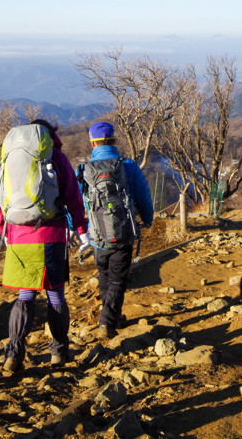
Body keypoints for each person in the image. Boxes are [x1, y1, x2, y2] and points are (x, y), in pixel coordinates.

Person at [0, 119, 89, 372]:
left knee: (25, 296)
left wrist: (3, 227)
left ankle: (14, 354)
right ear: (48, 136)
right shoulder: (55, 157)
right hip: (51, 234)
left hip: (17, 236)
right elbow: (73, 196)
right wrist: (81, 229)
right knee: (55, 294)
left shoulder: (9, 157)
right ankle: (58, 352)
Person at [79, 120, 154, 339]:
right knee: (119, 278)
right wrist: (148, 219)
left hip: (97, 235)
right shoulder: (128, 165)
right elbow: (143, 196)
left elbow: (75, 203)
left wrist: (79, 229)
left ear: (93, 143)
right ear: (113, 140)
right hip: (124, 232)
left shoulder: (83, 170)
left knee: (104, 275)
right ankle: (107, 321)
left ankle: (112, 315)